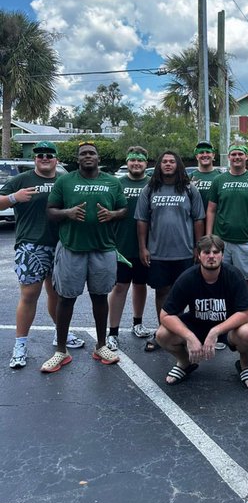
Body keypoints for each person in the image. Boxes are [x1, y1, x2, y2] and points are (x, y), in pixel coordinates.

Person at [40, 142, 128, 373]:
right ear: (77, 159)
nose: (88, 156)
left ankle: (101, 345)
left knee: (100, 298)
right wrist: (67, 213)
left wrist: (112, 214)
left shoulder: (112, 181)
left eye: (92, 153)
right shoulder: (65, 181)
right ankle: (61, 350)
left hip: (103, 249)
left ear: (98, 157)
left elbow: (123, 210)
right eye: (83, 154)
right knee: (65, 299)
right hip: (72, 248)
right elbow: (50, 211)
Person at [0, 140, 84, 369]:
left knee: (58, 295)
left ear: (56, 159)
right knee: (29, 295)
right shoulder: (22, 180)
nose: (44, 158)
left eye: (49, 155)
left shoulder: (65, 180)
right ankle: (20, 345)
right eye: (39, 155)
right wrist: (14, 198)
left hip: (62, 245)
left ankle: (62, 335)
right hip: (31, 246)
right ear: (35, 159)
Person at [156, 234, 248, 387]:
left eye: (216, 252)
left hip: (227, 327)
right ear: (199, 255)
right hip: (196, 325)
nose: (211, 256)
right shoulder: (188, 277)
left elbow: (246, 312)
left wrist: (215, 331)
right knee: (162, 335)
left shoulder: (233, 275)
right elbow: (165, 315)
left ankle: (245, 366)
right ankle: (184, 363)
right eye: (206, 252)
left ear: (222, 255)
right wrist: (189, 336)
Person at [135, 150, 205, 351]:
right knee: (162, 293)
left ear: (178, 165)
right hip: (158, 252)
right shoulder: (150, 189)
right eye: (164, 161)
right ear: (159, 166)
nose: (167, 164)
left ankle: (189, 333)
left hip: (184, 252)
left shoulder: (189, 189)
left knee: (188, 293)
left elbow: (198, 218)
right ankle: (163, 332)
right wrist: (143, 248)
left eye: (171, 161)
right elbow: (142, 220)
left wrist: (198, 247)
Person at [205, 141, 248, 305]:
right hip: (221, 242)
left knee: (246, 283)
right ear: (229, 157)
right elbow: (211, 210)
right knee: (219, 280)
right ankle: (223, 319)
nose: (237, 157)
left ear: (246, 156)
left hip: (247, 241)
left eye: (240, 154)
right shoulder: (219, 180)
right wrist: (209, 237)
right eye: (233, 154)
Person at [106, 147, 151, 351]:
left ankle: (137, 323)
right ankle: (112, 332)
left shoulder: (152, 183)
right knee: (120, 287)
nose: (136, 164)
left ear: (146, 163)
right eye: (132, 160)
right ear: (127, 162)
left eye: (140, 160)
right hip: (120, 245)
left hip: (146, 246)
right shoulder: (116, 183)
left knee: (140, 285)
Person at [188, 140, 221, 206]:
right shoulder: (189, 178)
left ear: (213, 155)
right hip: (196, 216)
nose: (205, 155)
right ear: (197, 156)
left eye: (208, 152)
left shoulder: (220, 177)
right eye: (201, 152)